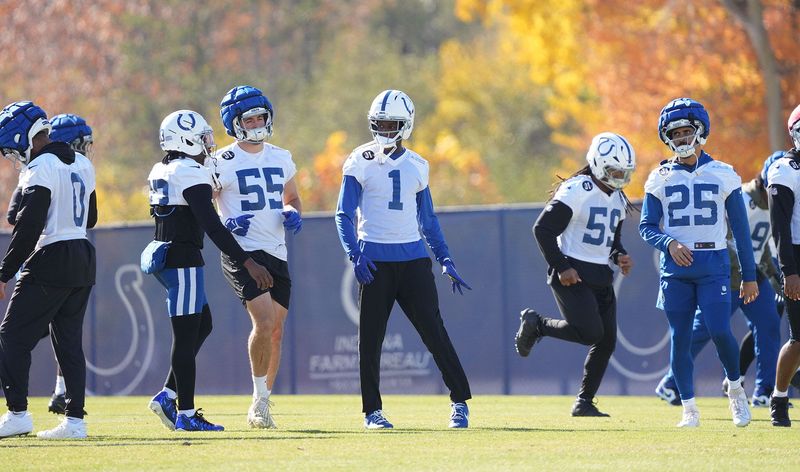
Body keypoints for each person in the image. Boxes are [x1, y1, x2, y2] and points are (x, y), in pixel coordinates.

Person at [335, 89, 472, 429]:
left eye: (390, 123)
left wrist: (445, 258)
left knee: (434, 333)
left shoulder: (418, 166)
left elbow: (428, 221)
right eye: (378, 123)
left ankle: (459, 403)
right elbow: (342, 214)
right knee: (370, 340)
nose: (383, 129)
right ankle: (372, 412)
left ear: (406, 125)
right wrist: (354, 254)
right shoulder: (358, 159)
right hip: (374, 261)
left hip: (413, 262)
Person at [145, 109, 271, 432]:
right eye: (201, 141)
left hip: (168, 255)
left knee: (203, 324)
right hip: (183, 260)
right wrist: (248, 261)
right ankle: (185, 414)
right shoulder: (189, 171)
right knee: (185, 338)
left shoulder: (162, 168)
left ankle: (168, 395)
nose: (206, 147)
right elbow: (212, 226)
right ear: (185, 140)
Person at [640, 98, 757, 428]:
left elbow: (741, 231)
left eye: (686, 130)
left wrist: (749, 276)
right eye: (674, 132)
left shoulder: (723, 173)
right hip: (675, 268)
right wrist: (669, 243)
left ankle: (735, 391)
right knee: (680, 338)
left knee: (720, 330)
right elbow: (647, 226)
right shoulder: (659, 176)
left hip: (713, 262)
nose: (680, 137)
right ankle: (688, 408)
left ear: (701, 131)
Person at [515, 132, 636, 417]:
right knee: (591, 333)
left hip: (600, 274)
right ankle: (538, 325)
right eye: (614, 170)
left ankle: (584, 402)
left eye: (623, 172)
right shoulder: (577, 189)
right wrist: (562, 266)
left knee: (606, 342)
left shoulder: (618, 198)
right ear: (597, 164)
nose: (619, 176)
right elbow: (542, 229)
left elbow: (610, 241)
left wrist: (619, 256)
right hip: (573, 271)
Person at [654, 152, 782, 408]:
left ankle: (765, 391)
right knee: (705, 330)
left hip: (751, 274)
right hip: (726, 274)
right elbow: (723, 236)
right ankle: (670, 382)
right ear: (764, 182)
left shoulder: (777, 205)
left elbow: (762, 247)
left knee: (768, 326)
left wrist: (776, 280)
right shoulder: (742, 197)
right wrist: (739, 272)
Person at [0, 101, 97, 439]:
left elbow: (28, 226)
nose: (14, 155)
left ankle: (17, 414)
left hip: (51, 255)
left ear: (24, 136)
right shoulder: (83, 162)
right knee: (69, 343)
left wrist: (4, 272)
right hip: (84, 254)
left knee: (11, 338)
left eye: (13, 147)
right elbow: (92, 218)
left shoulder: (40, 167)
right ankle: (75, 422)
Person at [212, 85, 302, 429]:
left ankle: (261, 403)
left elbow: (292, 197)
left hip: (276, 249)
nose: (257, 122)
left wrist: (293, 212)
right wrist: (227, 221)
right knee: (263, 322)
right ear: (234, 123)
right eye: (249, 118)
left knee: (276, 331)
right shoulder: (221, 160)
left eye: (261, 116)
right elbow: (206, 203)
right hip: (243, 251)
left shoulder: (281, 156)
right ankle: (257, 401)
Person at [766, 103, 800, 427]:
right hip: (796, 256)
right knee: (799, 338)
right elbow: (780, 227)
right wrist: (789, 271)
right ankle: (779, 398)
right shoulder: (785, 169)